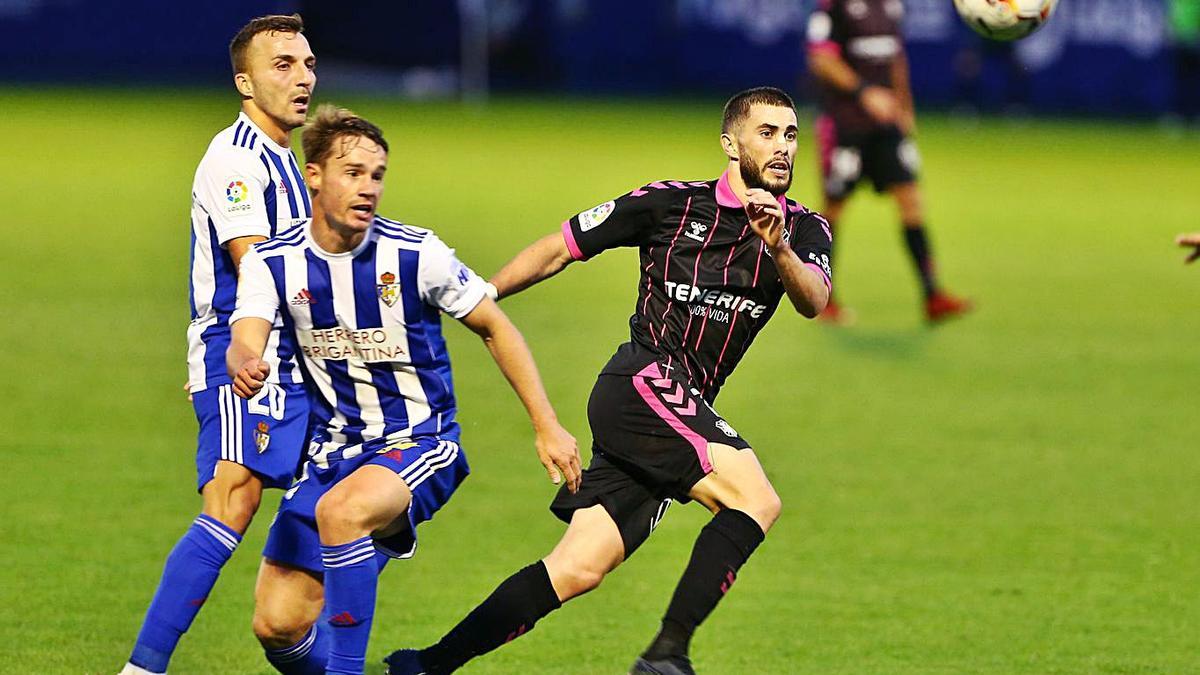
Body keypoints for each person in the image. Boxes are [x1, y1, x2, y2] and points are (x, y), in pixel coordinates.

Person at [385, 86, 831, 675]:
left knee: (577, 568)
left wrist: (777, 249)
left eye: (791, 134)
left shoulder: (803, 230)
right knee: (755, 498)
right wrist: (481, 300)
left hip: (678, 408)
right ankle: (667, 655)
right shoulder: (669, 204)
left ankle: (426, 665)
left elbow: (814, 300)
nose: (782, 147)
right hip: (642, 383)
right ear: (731, 143)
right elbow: (560, 248)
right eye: (767, 133)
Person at [229, 105, 581, 675]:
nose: (368, 187)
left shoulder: (416, 254)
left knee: (341, 513)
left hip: (420, 441)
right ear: (313, 174)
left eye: (377, 174)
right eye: (352, 172)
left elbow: (495, 326)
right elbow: (246, 335)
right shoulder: (273, 263)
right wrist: (246, 361)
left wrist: (546, 424)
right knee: (278, 624)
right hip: (331, 452)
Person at [121, 14, 316, 674]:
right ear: (244, 80)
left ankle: (318, 660)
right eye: (283, 65)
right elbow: (256, 263)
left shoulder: (286, 160)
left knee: (340, 508)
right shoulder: (234, 159)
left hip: (300, 361)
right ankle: (142, 668)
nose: (302, 77)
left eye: (308, 63)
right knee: (233, 498)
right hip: (247, 353)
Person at [806, 0, 971, 324]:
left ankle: (932, 295)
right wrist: (865, 92)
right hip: (846, 124)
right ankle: (823, 297)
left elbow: (896, 57)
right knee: (834, 208)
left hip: (886, 125)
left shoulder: (891, 5)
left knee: (911, 199)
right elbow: (821, 60)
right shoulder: (832, 6)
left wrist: (905, 108)